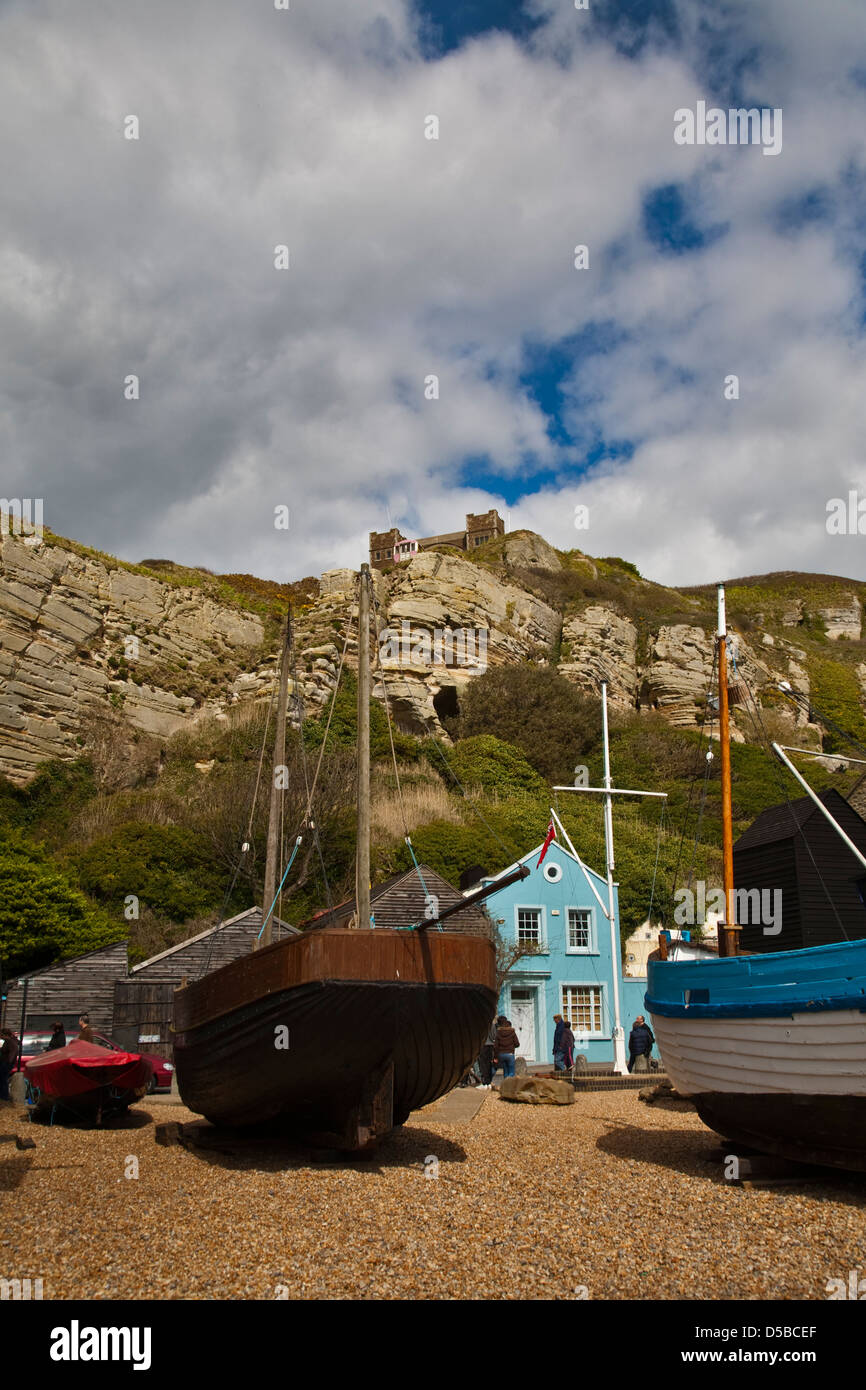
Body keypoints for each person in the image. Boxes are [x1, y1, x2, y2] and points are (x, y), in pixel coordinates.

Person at [493, 1015, 520, 1080]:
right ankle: (510, 1085)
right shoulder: (512, 1032)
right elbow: (517, 1044)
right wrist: (512, 1046)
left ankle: (505, 1084)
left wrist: (495, 1057)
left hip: (501, 1054)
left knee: (505, 1071)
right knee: (511, 1071)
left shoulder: (498, 1032)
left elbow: (496, 1046)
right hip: (510, 1054)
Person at [0, 1030, 20, 1101]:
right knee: (2, 1079)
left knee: (3, 1079)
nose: (0, 1036)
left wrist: (8, 1062)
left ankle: (4, 1097)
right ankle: (3, 1096)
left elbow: (12, 1052)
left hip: (7, 1063)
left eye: (1, 1035)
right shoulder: (8, 1041)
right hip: (5, 1063)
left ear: (5, 1035)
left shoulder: (11, 1042)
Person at [478, 1017, 496, 1088]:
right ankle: (488, 1081)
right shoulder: (492, 1025)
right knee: (489, 1063)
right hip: (490, 1045)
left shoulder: (480, 1025)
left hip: (483, 1045)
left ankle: (484, 1081)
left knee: (482, 1064)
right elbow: (494, 1036)